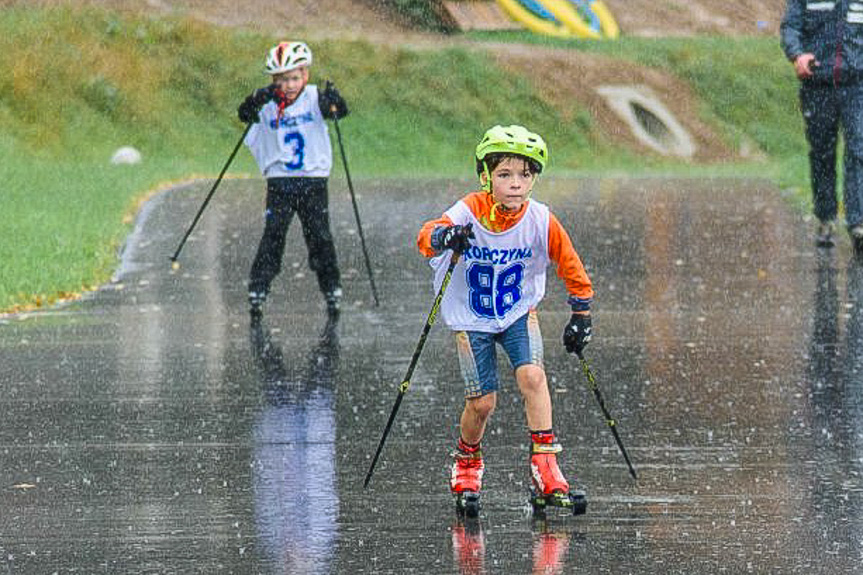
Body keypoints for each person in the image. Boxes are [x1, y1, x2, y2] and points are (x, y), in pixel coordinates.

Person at [416, 125, 594, 516]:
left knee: (533, 377)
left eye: (525, 175)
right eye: (505, 175)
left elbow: (571, 266)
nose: (515, 184)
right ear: (486, 177)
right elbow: (426, 235)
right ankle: (466, 464)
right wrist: (447, 238)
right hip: (472, 318)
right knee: (482, 404)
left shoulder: (541, 219)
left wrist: (581, 313)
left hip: (516, 312)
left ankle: (545, 470)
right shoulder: (470, 210)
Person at [237, 41, 348, 318]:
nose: (289, 85)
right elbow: (244, 114)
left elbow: (338, 112)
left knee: (320, 236)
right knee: (273, 235)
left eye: (295, 78)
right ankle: (258, 287)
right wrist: (256, 98)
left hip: (313, 181)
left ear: (305, 76)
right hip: (281, 182)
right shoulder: (267, 103)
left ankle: (331, 287)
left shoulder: (313, 97)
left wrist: (334, 100)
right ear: (274, 80)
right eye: (283, 79)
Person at [781, 1, 863, 249]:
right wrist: (797, 54)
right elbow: (790, 27)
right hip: (817, 85)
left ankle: (858, 222)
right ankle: (826, 218)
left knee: (859, 150)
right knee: (822, 154)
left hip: (857, 85)